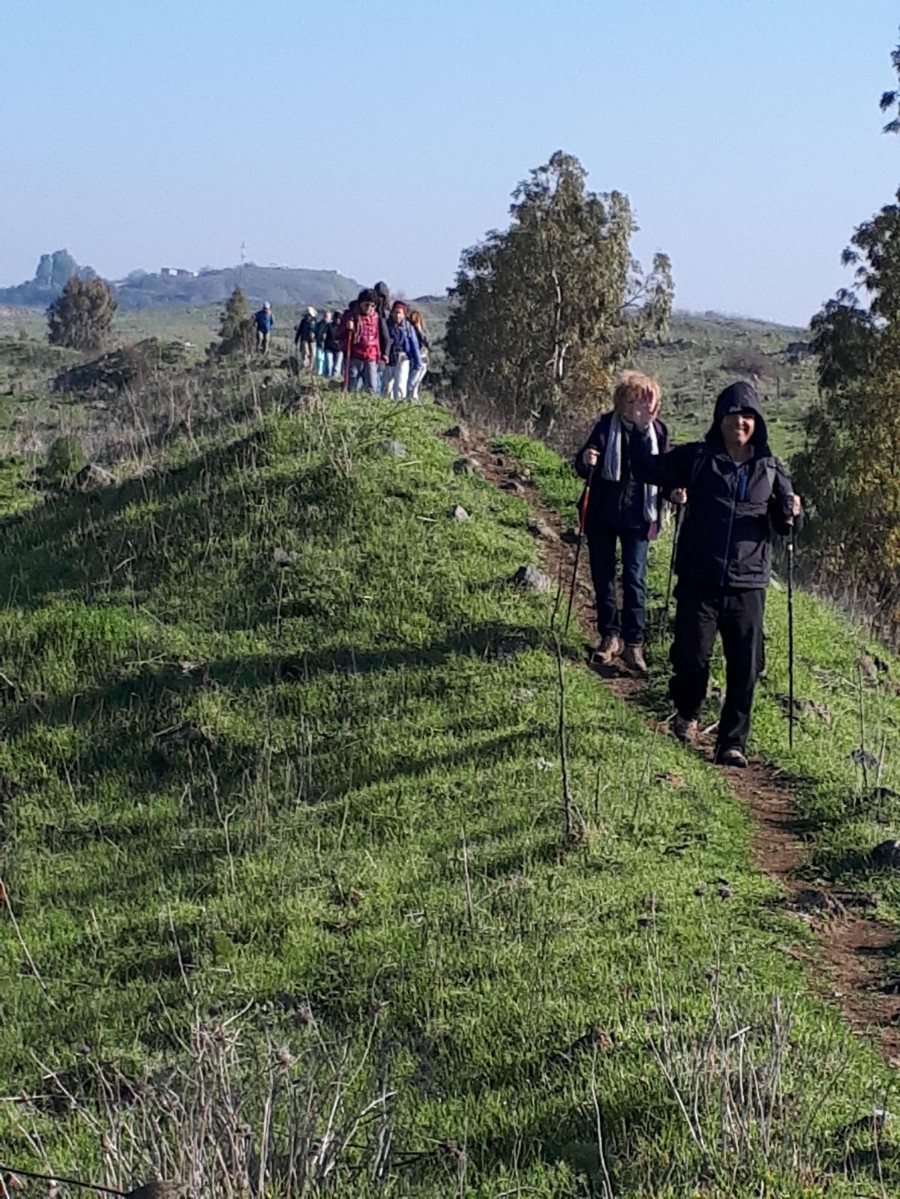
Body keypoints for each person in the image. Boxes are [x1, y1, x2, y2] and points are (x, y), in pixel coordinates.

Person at [629, 380, 802, 768]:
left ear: (756, 422)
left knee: (746, 668)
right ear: (719, 419)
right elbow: (647, 470)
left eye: (747, 416)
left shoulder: (771, 470)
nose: (738, 422)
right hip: (699, 578)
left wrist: (793, 512)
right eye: (731, 414)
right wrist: (642, 430)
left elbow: (785, 524)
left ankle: (732, 743)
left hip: (749, 584)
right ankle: (687, 714)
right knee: (691, 658)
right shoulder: (697, 458)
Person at [575, 372, 681, 674]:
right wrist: (587, 459)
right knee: (603, 576)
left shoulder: (658, 433)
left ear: (655, 405)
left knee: (635, 579)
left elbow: (664, 472)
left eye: (645, 400)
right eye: (631, 399)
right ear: (619, 401)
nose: (637, 406)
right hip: (602, 515)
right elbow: (582, 466)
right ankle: (610, 637)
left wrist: (674, 491)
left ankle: (634, 643)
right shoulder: (605, 427)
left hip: (639, 518)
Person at [343, 289, 388, 393]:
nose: (369, 308)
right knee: (352, 386)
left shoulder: (377, 318)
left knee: (372, 387)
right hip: (354, 357)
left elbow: (381, 337)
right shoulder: (350, 316)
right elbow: (339, 335)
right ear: (360, 303)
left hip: (371, 357)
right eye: (366, 305)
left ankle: (370, 408)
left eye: (373, 306)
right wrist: (347, 328)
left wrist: (382, 354)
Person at [384, 301, 422, 400]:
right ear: (392, 313)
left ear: (404, 315)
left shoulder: (408, 328)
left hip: (403, 358)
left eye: (400, 313)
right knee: (386, 386)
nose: (397, 315)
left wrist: (418, 363)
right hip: (388, 359)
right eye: (395, 312)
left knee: (400, 385)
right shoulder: (386, 325)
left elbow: (414, 344)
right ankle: (385, 408)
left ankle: (398, 407)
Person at [407, 309, 429, 401]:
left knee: (416, 383)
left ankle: (413, 400)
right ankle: (410, 400)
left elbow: (428, 342)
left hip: (423, 359)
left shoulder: (422, 332)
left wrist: (420, 330)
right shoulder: (409, 332)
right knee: (411, 382)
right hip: (414, 359)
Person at [294, 306, 317, 371]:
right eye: (307, 314)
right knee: (305, 352)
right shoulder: (303, 321)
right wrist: (296, 339)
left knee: (312, 353)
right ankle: (305, 365)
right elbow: (300, 330)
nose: (308, 316)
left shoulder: (314, 321)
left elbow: (316, 330)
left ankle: (310, 366)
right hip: (304, 339)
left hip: (312, 340)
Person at [324, 309, 344, 379]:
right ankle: (327, 379)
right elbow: (324, 335)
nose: (338, 320)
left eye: (339, 318)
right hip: (329, 348)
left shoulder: (343, 327)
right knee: (329, 365)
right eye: (337, 318)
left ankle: (334, 381)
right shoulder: (329, 326)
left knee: (337, 367)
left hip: (339, 349)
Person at [314, 309, 332, 375]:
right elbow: (315, 332)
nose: (325, 317)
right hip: (319, 344)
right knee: (319, 359)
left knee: (326, 360)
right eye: (324, 316)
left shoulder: (331, 326)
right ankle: (319, 373)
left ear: (330, 317)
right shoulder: (319, 325)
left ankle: (325, 374)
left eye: (327, 316)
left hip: (328, 346)